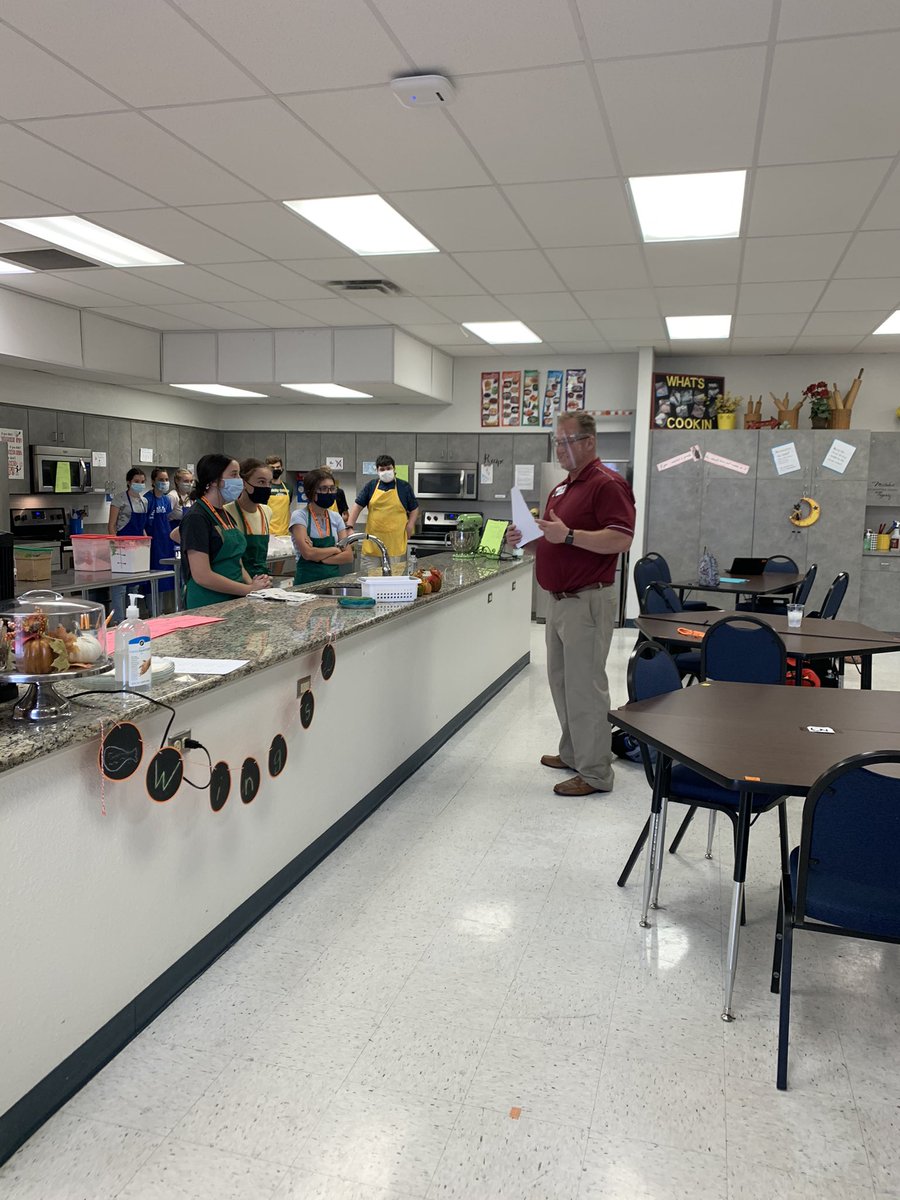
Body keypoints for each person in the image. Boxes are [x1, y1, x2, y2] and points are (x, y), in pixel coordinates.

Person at [506, 411, 635, 797]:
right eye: (556, 442)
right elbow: (552, 539)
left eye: (566, 441)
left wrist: (570, 536)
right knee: (562, 684)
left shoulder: (607, 484)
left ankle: (595, 773)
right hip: (558, 601)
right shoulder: (561, 489)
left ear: (589, 442)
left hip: (587, 600)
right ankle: (575, 752)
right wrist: (524, 540)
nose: (559, 449)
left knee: (585, 688)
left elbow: (620, 539)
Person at [180, 454, 272, 609]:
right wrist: (247, 589)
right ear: (215, 481)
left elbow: (236, 561)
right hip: (207, 604)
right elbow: (202, 575)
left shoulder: (225, 514)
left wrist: (256, 589)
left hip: (232, 601)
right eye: (234, 475)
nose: (240, 481)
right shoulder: (197, 517)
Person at [346, 454, 419, 570]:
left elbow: (414, 508)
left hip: (395, 547)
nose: (386, 471)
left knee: (392, 584)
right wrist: (349, 527)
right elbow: (357, 506)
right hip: (372, 547)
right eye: (382, 469)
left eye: (388, 468)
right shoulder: (371, 486)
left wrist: (410, 524)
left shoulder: (404, 487)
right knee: (369, 582)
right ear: (377, 471)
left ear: (394, 469)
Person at [290, 468, 353, 586]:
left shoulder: (336, 517)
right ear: (311, 492)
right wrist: (335, 549)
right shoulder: (300, 516)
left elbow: (348, 556)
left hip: (332, 583)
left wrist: (319, 557)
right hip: (306, 585)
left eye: (332, 488)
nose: (329, 492)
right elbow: (307, 553)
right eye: (323, 489)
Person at [225, 458, 273, 580]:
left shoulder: (267, 511)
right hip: (236, 580)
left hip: (261, 580)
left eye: (269, 483)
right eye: (261, 482)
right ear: (244, 482)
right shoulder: (226, 511)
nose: (267, 487)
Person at [144, 467, 176, 595]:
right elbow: (144, 524)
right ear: (153, 481)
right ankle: (151, 608)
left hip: (165, 541)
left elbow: (166, 518)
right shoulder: (147, 500)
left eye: (166, 479)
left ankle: (162, 608)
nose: (164, 482)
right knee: (151, 578)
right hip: (153, 542)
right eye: (161, 479)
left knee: (165, 577)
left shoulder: (166, 500)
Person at [107, 467, 148, 535]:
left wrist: (146, 541)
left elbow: (142, 527)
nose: (140, 484)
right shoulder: (119, 499)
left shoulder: (144, 501)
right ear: (128, 482)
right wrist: (115, 543)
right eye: (136, 481)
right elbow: (111, 526)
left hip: (139, 542)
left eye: (142, 482)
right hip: (123, 541)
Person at [265, 455, 292, 536]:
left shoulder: (289, 488)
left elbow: (287, 509)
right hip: (269, 533)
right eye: (272, 467)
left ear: (281, 468)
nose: (275, 469)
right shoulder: (264, 488)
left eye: (278, 467)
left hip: (285, 534)